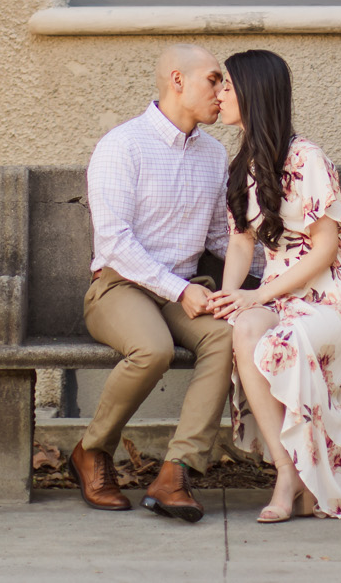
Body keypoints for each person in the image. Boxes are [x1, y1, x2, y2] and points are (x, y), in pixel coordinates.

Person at [212, 49, 341, 522]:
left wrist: (260, 294)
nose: (221, 94)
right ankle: (286, 471)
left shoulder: (307, 158)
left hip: (332, 299)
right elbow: (242, 243)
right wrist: (231, 298)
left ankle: (316, 479)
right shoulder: (241, 164)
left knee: (287, 341)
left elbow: (325, 248)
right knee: (245, 331)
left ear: (254, 93)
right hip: (283, 300)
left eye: (228, 86)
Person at [72, 44, 234, 522]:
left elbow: (221, 237)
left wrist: (290, 270)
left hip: (182, 286)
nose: (223, 91)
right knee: (153, 349)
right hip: (119, 286)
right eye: (214, 79)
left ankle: (174, 472)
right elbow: (115, 241)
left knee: (226, 337)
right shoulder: (122, 145)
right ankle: (91, 451)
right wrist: (180, 290)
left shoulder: (214, 153)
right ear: (177, 81)